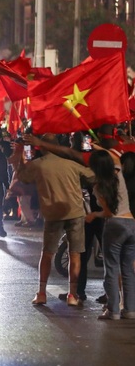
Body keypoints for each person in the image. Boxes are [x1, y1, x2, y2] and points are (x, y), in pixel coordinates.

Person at [16, 134, 95, 306]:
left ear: (42, 147)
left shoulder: (38, 165)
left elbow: (23, 177)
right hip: (74, 212)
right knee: (75, 255)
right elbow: (92, 176)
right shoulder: (71, 164)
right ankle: (72, 295)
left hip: (53, 215)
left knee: (47, 253)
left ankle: (42, 293)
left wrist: (21, 157)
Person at [86, 150, 135, 320]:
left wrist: (94, 215)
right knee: (128, 269)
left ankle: (113, 310)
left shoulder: (99, 186)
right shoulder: (119, 176)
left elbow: (108, 212)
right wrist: (103, 147)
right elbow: (115, 156)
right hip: (131, 224)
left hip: (115, 226)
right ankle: (130, 310)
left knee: (112, 268)